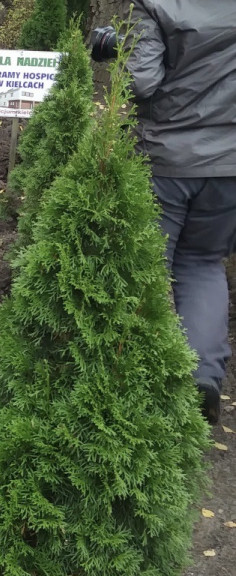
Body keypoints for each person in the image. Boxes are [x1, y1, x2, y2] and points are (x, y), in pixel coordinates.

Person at [115, 1, 236, 424]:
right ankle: (203, 376)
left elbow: (141, 82)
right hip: (230, 167)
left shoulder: (155, 5)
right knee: (203, 263)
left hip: (168, 159)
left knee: (145, 266)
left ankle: (129, 384)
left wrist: (122, 46)